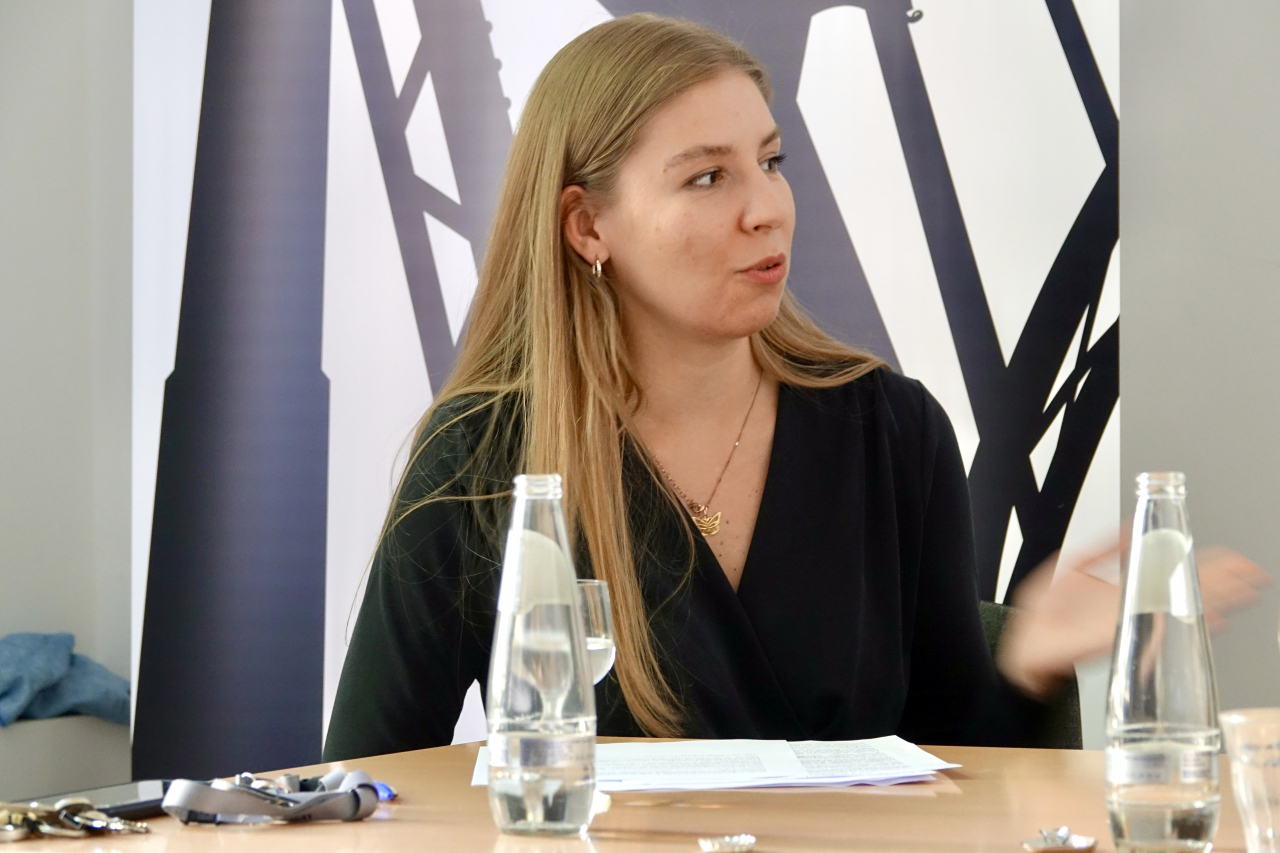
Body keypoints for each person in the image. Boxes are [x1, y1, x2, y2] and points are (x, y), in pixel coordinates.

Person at [323, 14, 1267, 760]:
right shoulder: (482, 458)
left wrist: (1025, 663)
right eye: (707, 178)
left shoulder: (893, 432)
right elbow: (365, 783)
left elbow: (955, 767)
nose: (767, 208)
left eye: (770, 162)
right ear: (586, 227)